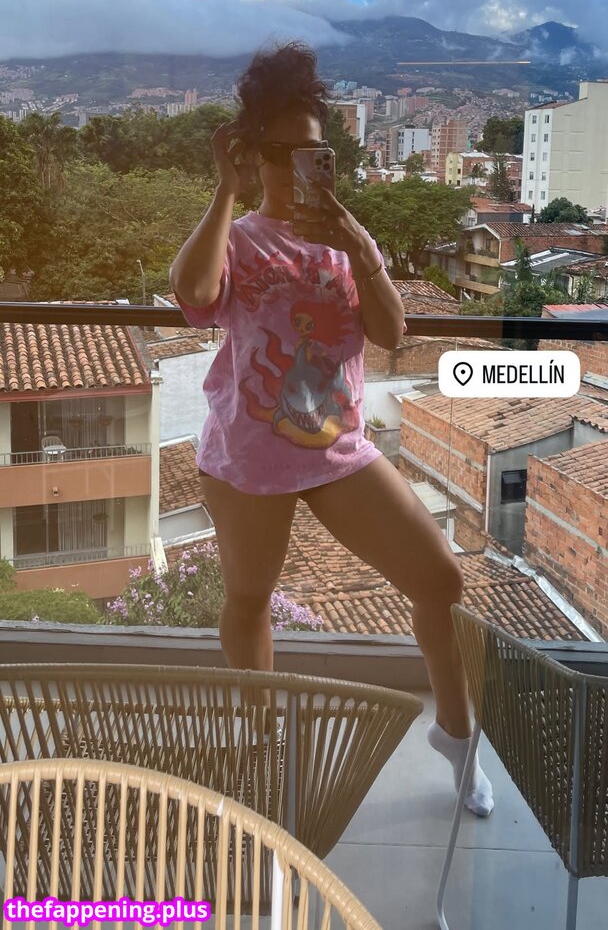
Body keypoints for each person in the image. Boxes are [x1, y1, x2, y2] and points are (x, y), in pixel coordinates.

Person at [169, 41, 493, 817]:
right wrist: (224, 192)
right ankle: (260, 738)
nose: (297, 167)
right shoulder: (239, 237)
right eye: (279, 152)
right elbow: (193, 293)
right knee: (250, 598)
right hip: (249, 455)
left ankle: (454, 733)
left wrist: (356, 243)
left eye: (312, 152)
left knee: (439, 582)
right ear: (254, 155)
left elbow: (390, 331)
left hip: (338, 450)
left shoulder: (349, 239)